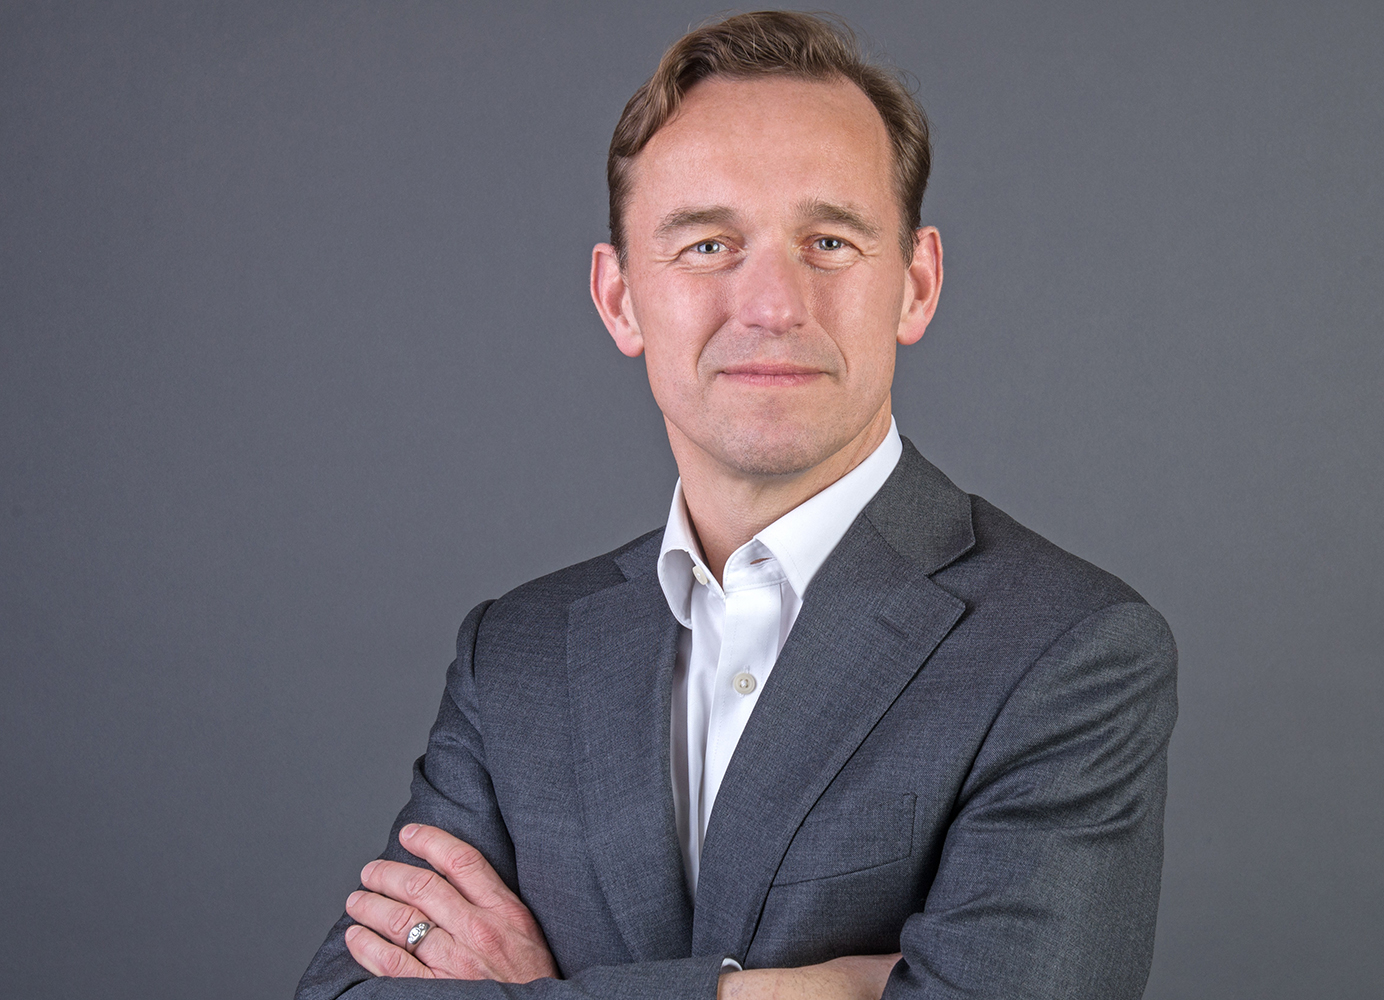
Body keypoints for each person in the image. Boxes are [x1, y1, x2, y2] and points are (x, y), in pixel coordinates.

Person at [297, 11, 1177, 1000]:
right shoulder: (516, 656)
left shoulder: (1066, 648)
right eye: (709, 244)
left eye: (829, 241)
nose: (772, 305)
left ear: (916, 285)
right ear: (620, 299)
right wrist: (786, 991)